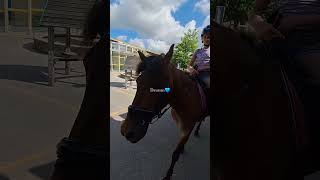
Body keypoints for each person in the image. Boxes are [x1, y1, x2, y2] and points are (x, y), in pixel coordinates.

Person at [248, 0, 320, 162]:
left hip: (312, 42)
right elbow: (253, 12)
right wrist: (258, 23)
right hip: (278, 42)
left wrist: (297, 21)